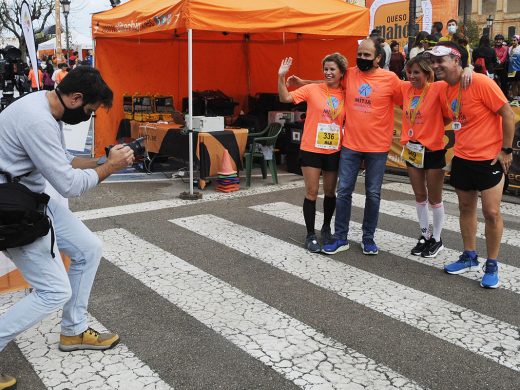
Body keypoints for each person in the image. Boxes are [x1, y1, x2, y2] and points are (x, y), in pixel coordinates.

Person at [0, 66, 135, 388]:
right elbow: (68, 184)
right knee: (53, 291)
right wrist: (111, 169)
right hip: (12, 208)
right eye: (89, 111)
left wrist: (104, 160)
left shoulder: (43, 104)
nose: (88, 117)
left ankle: (73, 332)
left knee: (88, 249)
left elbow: (63, 160)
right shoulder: (38, 119)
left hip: (30, 196)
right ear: (76, 98)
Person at [426, 41, 515, 288]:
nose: (435, 65)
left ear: (456, 61)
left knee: (492, 212)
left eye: (439, 61)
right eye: (432, 61)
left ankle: (492, 263)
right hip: (463, 157)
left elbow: (507, 114)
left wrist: (506, 150)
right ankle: (469, 255)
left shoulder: (480, 82)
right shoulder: (443, 88)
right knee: (466, 208)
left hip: (488, 159)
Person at [319, 39, 402, 255]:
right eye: (360, 54)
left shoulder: (390, 79)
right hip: (351, 144)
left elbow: (412, 95)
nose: (362, 58)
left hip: (377, 147)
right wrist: (302, 83)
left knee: (373, 194)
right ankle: (340, 237)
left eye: (367, 55)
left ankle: (368, 238)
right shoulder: (350, 74)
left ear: (377, 58)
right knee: (344, 190)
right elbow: (329, 83)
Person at [278, 53, 347, 252]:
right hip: (311, 148)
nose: (328, 72)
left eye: (332, 69)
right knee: (311, 192)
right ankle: (310, 234)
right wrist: (281, 77)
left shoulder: (346, 92)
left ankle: (326, 228)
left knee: (330, 192)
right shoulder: (312, 89)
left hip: (334, 149)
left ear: (341, 72)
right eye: (325, 69)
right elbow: (285, 97)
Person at [399, 56, 452, 257]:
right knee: (420, 196)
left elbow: (448, 114)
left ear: (427, 73)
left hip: (433, 151)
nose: (412, 76)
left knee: (435, 199)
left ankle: (437, 239)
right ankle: (424, 235)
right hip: (413, 150)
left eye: (416, 73)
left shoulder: (437, 88)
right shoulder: (405, 89)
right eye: (409, 72)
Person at [494, 34, 510, 98]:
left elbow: (504, 57)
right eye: (497, 40)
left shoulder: (506, 48)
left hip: (503, 68)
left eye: (500, 40)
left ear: (502, 41)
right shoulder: (493, 48)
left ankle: (504, 97)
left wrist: (499, 62)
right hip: (495, 68)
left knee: (504, 84)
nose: (498, 41)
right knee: (495, 83)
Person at [508, 35, 520, 102]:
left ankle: (519, 97)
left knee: (519, 83)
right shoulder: (509, 48)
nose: (513, 42)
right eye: (512, 40)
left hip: (519, 69)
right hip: (511, 69)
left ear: (518, 41)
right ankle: (515, 98)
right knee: (513, 84)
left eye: (515, 40)